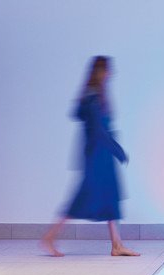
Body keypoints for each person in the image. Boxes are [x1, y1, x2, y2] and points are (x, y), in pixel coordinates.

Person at [42, 56, 140, 257]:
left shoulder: (92, 95)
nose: (111, 73)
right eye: (108, 70)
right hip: (97, 155)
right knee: (83, 197)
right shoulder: (93, 97)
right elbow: (98, 131)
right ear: (101, 72)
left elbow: (79, 115)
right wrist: (118, 150)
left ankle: (117, 245)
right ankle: (49, 237)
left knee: (111, 197)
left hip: (100, 153)